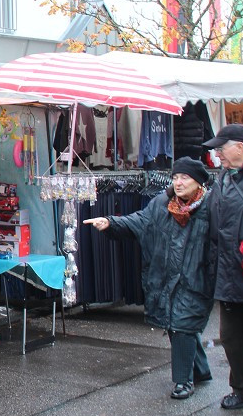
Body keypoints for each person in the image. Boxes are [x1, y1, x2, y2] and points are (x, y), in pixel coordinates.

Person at [83, 156, 215, 399]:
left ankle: (183, 381)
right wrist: (110, 222)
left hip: (196, 278)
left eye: (184, 177)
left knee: (182, 324)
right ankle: (201, 370)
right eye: (175, 177)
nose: (178, 182)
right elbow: (140, 221)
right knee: (179, 324)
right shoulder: (161, 204)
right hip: (166, 276)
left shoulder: (211, 207)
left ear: (198, 182)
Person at [202, 124, 243, 409]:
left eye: (221, 149)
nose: (217, 156)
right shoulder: (224, 178)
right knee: (232, 338)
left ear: (240, 146)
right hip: (229, 275)